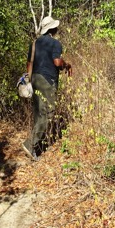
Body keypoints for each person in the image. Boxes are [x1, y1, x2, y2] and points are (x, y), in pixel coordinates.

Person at [22, 15, 72, 160]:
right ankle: (30, 144)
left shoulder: (34, 43)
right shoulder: (55, 43)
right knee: (49, 112)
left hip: (35, 79)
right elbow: (57, 62)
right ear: (53, 28)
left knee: (39, 112)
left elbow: (29, 64)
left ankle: (35, 150)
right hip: (47, 80)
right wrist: (66, 65)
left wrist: (29, 81)